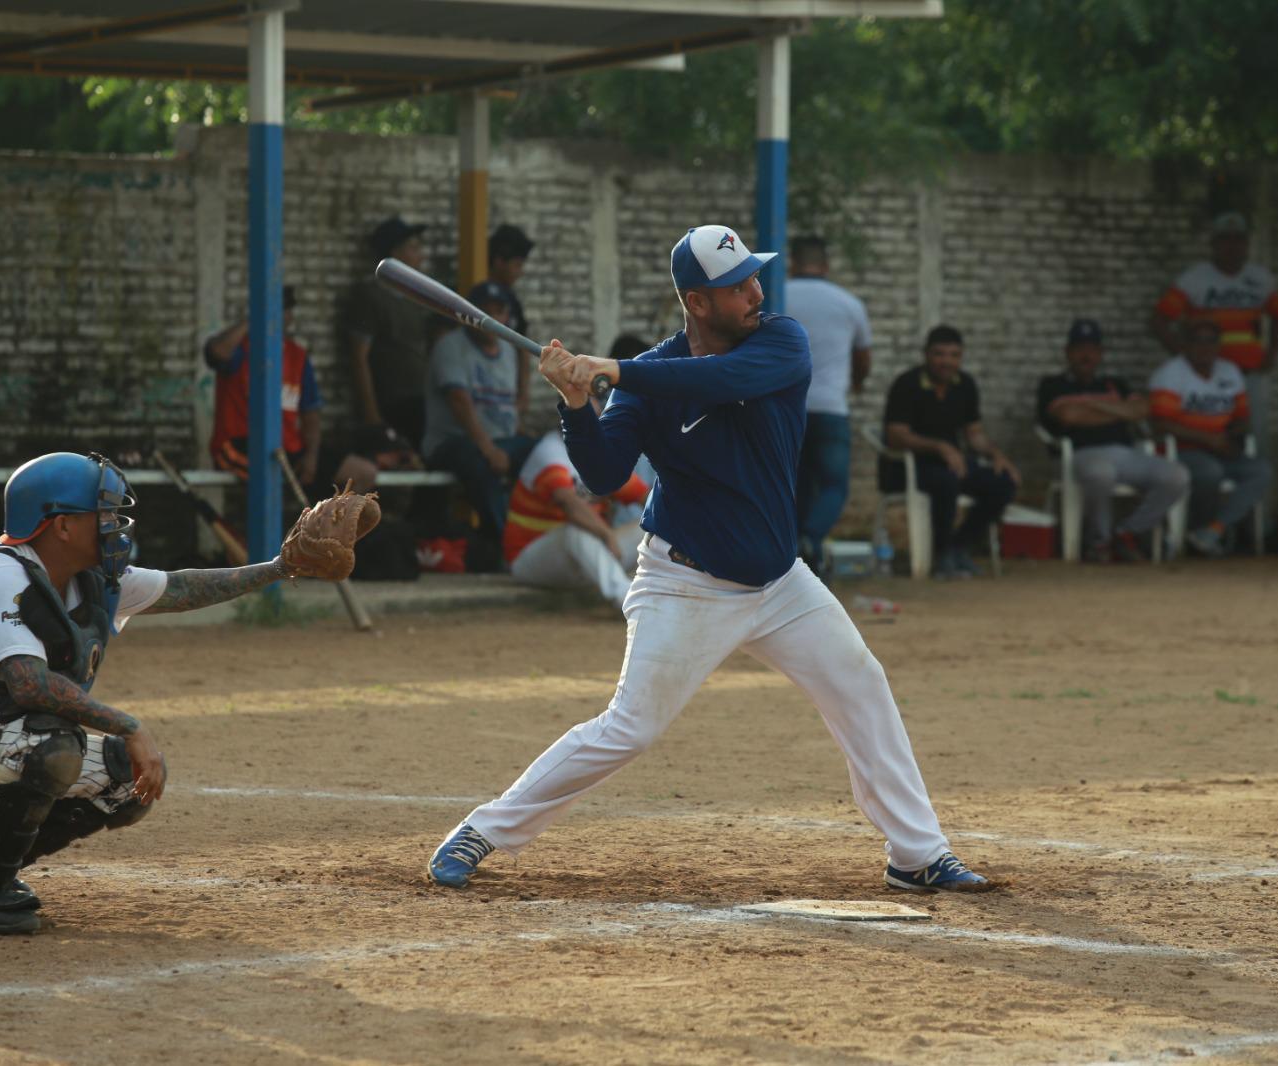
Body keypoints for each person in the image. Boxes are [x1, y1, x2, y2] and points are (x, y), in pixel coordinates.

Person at [425, 224, 995, 895]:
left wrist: (615, 368)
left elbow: (724, 379)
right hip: (684, 582)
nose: (756, 291)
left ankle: (917, 853)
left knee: (860, 683)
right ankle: (485, 830)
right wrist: (577, 404)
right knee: (629, 728)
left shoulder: (779, 341)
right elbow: (605, 474)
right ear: (697, 303)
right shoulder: (646, 387)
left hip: (781, 582)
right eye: (737, 285)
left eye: (754, 276)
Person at [0, 452, 343, 934]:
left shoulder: (87, 580)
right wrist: (128, 724)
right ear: (62, 524)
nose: (116, 525)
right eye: (104, 514)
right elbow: (28, 683)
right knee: (50, 742)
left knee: (124, 779)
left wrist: (280, 567)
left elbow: (181, 589)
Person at [1037, 318, 1188, 562]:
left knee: (1177, 476)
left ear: (1100, 353)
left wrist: (1090, 405)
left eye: (1092, 349)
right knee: (1101, 473)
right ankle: (1099, 542)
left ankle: (1128, 532)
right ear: (1068, 352)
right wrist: (1116, 408)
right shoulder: (1053, 385)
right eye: (1080, 349)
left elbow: (1141, 410)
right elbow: (1069, 416)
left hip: (1125, 453)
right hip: (1081, 454)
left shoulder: (1115, 383)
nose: (1086, 355)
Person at [880, 325, 1019, 578]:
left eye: (954, 355)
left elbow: (974, 434)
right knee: (947, 482)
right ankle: (941, 555)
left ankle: (959, 547)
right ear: (926, 355)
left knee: (1003, 483)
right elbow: (895, 435)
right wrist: (940, 447)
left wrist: (996, 455)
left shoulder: (965, 385)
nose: (947, 361)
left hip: (952, 464)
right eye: (939, 354)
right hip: (907, 467)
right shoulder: (907, 383)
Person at [422, 280, 536, 568]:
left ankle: (539, 538)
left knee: (541, 455)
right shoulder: (450, 346)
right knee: (480, 465)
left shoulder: (509, 351)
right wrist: (488, 449)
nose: (494, 319)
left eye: (500, 311)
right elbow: (459, 401)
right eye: (486, 311)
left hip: (499, 442)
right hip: (452, 443)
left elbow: (511, 406)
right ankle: (509, 548)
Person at [1152, 212, 1278, 450]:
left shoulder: (1260, 278)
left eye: (1238, 240)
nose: (1232, 247)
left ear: (1246, 245)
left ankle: (1252, 482)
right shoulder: (1194, 279)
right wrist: (1183, 356)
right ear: (1214, 244)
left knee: (1253, 435)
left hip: (1249, 372)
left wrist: (1272, 352)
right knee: (1205, 432)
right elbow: (1160, 320)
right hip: (1207, 374)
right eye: (1226, 240)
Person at [785, 235, 872, 575]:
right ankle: (811, 539)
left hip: (787, 409)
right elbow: (863, 357)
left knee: (794, 486)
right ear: (825, 265)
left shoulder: (776, 297)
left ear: (792, 262)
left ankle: (794, 555)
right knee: (834, 485)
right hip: (831, 409)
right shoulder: (849, 304)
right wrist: (857, 383)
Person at [1149, 319, 1273, 556]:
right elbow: (1161, 424)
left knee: (1260, 471)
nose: (1205, 347)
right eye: (1198, 341)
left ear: (1219, 345)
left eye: (1211, 341)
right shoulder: (1170, 373)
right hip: (1180, 451)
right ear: (1185, 344)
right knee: (1210, 471)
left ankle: (1212, 531)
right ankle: (1194, 530)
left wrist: (1233, 438)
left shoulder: (1230, 371)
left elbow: (1242, 418)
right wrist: (1207, 439)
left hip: (1220, 448)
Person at [504, 427, 648, 604]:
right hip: (532, 560)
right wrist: (606, 534)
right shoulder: (550, 453)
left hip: (587, 559)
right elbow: (570, 505)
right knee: (577, 530)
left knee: (652, 529)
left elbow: (645, 497)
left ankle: (663, 592)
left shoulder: (600, 454)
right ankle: (626, 597)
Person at [204, 285, 322, 484]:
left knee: (360, 471)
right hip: (239, 445)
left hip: (286, 450)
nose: (280, 316)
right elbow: (216, 352)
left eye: (285, 310)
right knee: (268, 478)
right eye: (274, 310)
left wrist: (311, 455)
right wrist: (255, 319)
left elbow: (311, 413)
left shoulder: (297, 357)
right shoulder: (241, 350)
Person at [344, 216, 438, 447]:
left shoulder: (417, 298)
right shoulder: (370, 297)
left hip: (423, 399)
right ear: (395, 255)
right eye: (413, 248)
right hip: (393, 403)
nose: (421, 256)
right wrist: (371, 414)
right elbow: (358, 357)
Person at [486, 224, 536, 419]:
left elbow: (522, 346)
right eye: (517, 265)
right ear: (499, 261)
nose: (520, 272)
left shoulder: (512, 300)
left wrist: (523, 393)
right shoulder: (472, 294)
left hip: (506, 392)